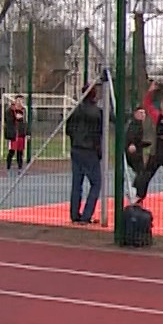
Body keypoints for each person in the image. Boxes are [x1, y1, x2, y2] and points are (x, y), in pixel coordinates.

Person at [67, 85, 105, 224]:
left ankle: (74, 214)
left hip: (76, 149)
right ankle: (86, 215)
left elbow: (68, 129)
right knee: (96, 183)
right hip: (90, 151)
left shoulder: (76, 110)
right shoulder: (97, 112)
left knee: (77, 183)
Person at [3, 97, 29, 172]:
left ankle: (20, 167)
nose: (19, 102)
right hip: (14, 134)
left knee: (20, 152)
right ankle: (8, 166)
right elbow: (8, 121)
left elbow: (25, 123)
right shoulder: (10, 111)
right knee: (12, 151)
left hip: (21, 134)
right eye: (18, 101)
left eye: (21, 101)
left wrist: (27, 132)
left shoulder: (23, 111)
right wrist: (15, 117)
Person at [124, 105, 149, 181]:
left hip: (138, 150)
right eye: (140, 113)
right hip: (133, 152)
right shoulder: (134, 124)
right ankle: (135, 189)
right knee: (141, 172)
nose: (143, 115)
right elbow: (130, 135)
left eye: (144, 113)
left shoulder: (141, 125)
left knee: (141, 172)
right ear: (135, 114)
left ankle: (136, 188)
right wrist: (131, 144)